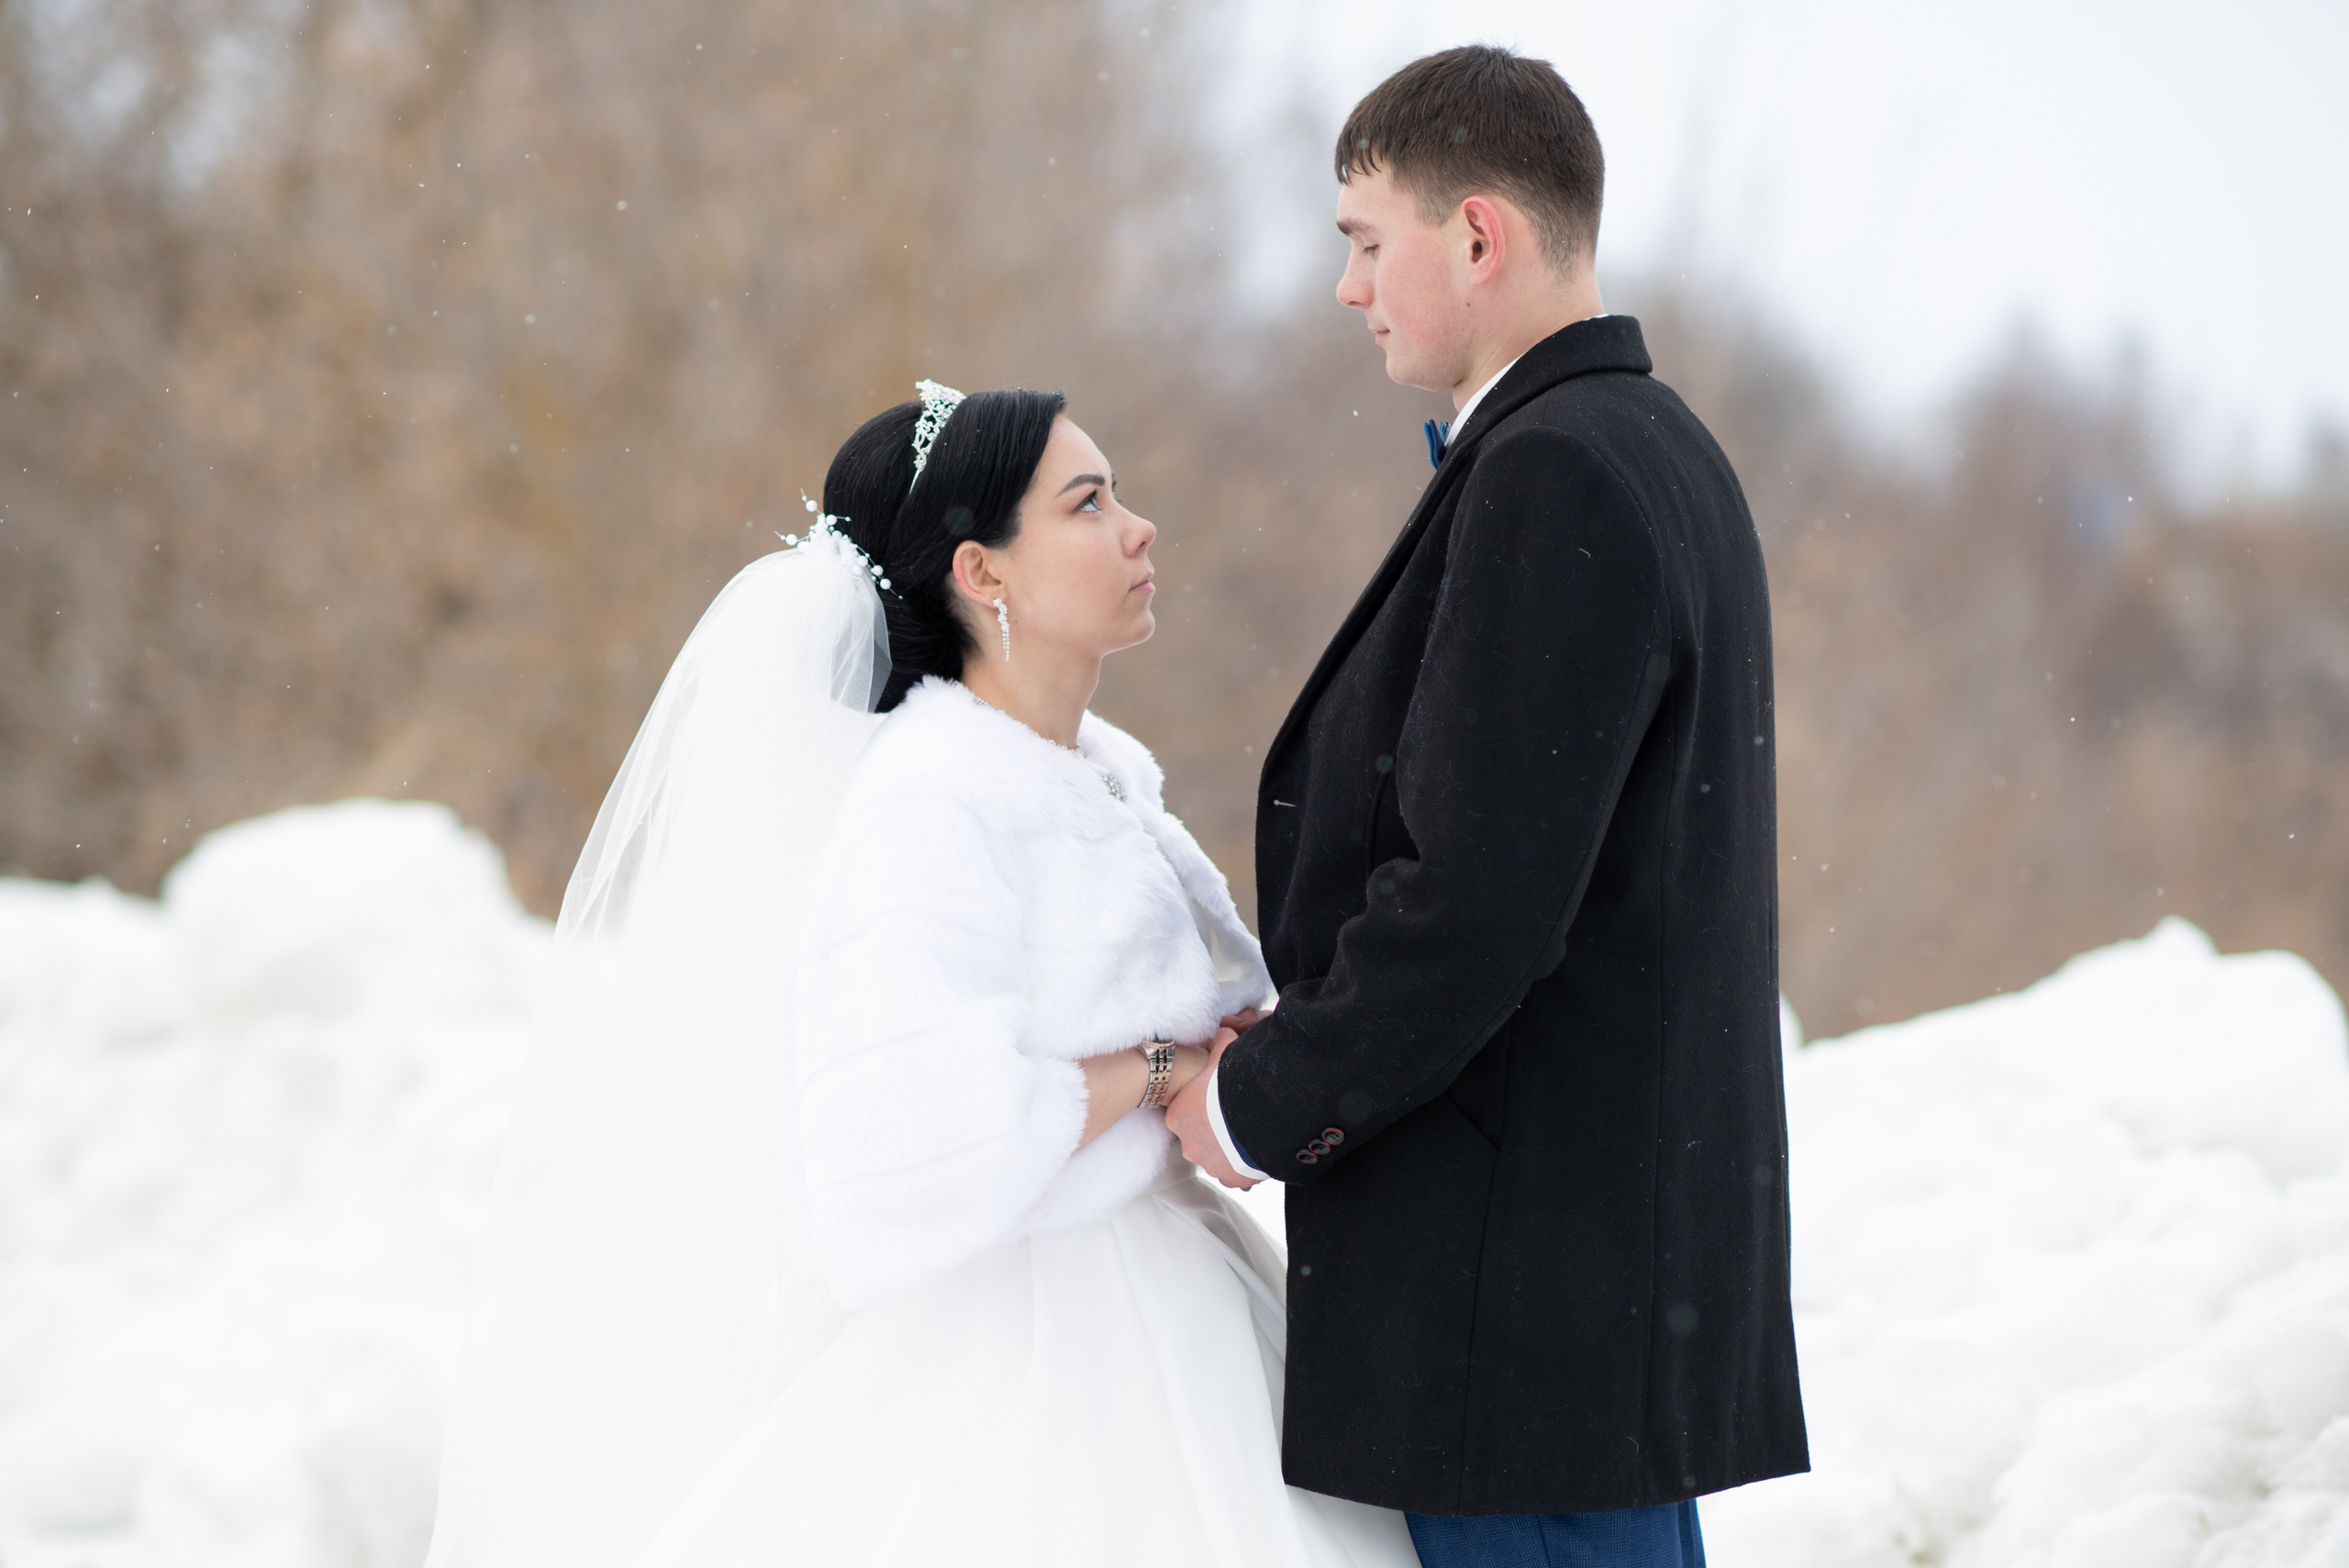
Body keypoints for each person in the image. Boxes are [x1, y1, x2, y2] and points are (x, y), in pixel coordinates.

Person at [420, 382, 1418, 1568]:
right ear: (982, 574)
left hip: (1180, 1289)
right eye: (1088, 503)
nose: (1139, 528)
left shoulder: (1098, 767)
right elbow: (899, 1144)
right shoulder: (930, 801)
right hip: (1040, 1345)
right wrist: (1160, 1069)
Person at [1163, 45, 1810, 1567]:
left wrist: (1262, 1098)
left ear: (1476, 236)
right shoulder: (1657, 450)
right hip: (1590, 1292)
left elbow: (1474, 904)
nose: (1348, 287)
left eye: (1364, 240)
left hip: (1520, 1309)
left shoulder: (1559, 476)